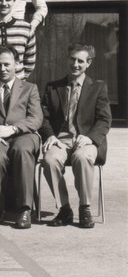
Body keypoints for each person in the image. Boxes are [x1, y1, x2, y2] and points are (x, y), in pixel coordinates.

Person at [40, 44, 111, 229]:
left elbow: (104, 120)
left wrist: (90, 138)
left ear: (89, 63)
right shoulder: (53, 87)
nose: (75, 64)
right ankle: (64, 209)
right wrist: (50, 136)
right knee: (49, 160)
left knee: (82, 157)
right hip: (60, 140)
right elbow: (43, 118)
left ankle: (84, 207)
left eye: (80, 61)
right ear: (67, 59)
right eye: (72, 59)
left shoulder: (98, 88)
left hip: (86, 140)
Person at [0, 45, 42, 228]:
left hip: (24, 134)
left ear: (17, 64)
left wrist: (12, 129)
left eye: (7, 64)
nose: (2, 69)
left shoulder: (30, 88)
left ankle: (25, 209)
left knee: (22, 151)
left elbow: (36, 118)